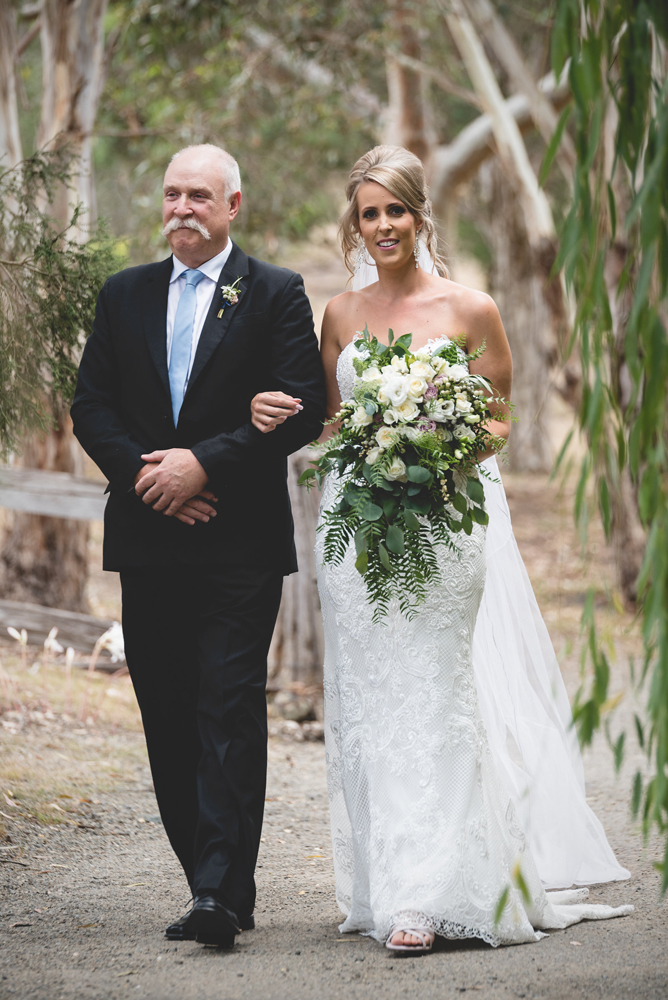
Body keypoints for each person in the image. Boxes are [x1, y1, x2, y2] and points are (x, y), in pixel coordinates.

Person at [250, 145, 632, 954]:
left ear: (421, 216)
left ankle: (435, 890)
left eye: (395, 210)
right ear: (354, 227)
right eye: (368, 213)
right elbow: (329, 421)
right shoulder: (341, 317)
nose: (383, 225)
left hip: (444, 522)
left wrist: (438, 446)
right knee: (372, 701)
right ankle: (389, 882)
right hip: (357, 530)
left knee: (434, 690)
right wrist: (271, 411)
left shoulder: (471, 308)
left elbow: (500, 415)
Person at [71, 144, 326, 947]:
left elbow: (307, 408)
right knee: (169, 715)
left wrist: (204, 462)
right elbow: (91, 406)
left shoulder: (276, 294)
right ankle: (204, 874)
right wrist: (154, 477)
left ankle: (221, 889)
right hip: (149, 538)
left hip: (238, 542)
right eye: (172, 195)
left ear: (233, 206)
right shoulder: (124, 295)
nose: (182, 208)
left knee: (226, 707)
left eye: (200, 197)